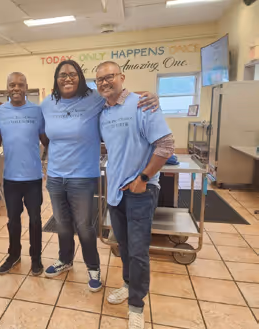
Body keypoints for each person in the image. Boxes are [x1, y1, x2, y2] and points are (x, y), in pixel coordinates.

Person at [41, 59, 160, 292]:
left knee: (85, 226)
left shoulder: (94, 98)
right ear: (56, 79)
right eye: (62, 74)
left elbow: (117, 94)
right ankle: (65, 260)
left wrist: (150, 96)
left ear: (81, 78)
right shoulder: (47, 103)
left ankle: (93, 267)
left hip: (83, 176)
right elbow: (44, 135)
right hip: (55, 176)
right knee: (62, 225)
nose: (67, 78)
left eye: (72, 74)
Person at [97, 61, 174, 329]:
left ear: (122, 77)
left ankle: (136, 306)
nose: (105, 83)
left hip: (140, 191)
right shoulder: (103, 111)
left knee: (139, 251)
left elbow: (166, 144)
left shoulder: (142, 104)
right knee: (125, 247)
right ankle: (129, 286)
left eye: (109, 77)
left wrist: (143, 178)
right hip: (116, 191)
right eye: (100, 80)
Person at [0, 72, 48, 276]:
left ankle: (36, 258)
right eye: (12, 85)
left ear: (26, 87)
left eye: (20, 84)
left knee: (35, 220)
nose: (16, 88)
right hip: (10, 179)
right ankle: (14, 254)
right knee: (13, 220)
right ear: (7, 88)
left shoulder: (37, 111)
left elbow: (46, 141)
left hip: (33, 178)